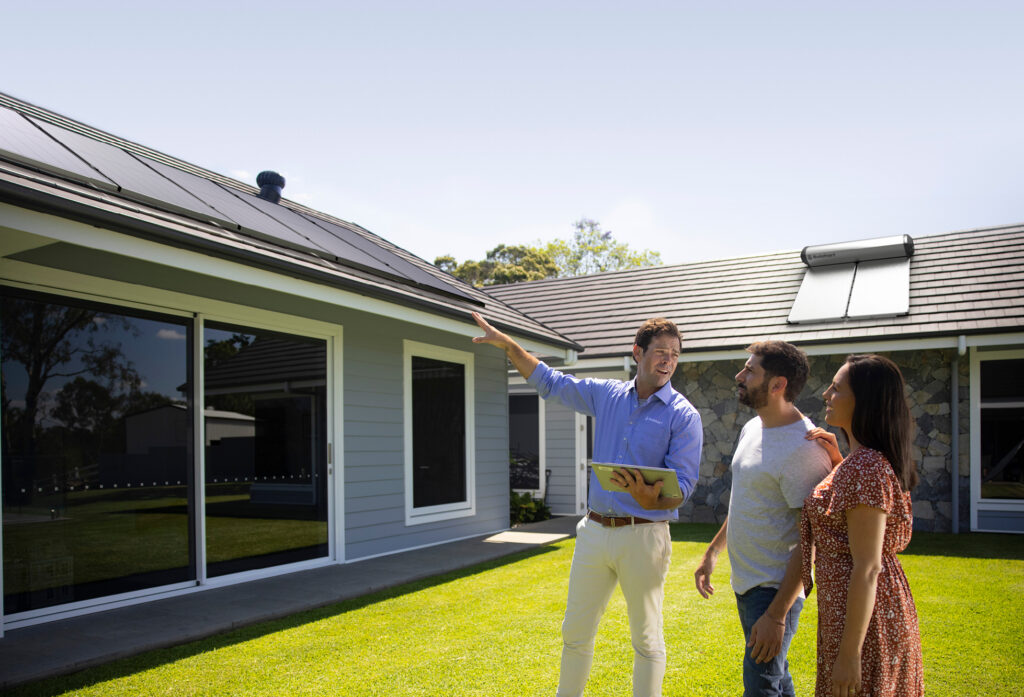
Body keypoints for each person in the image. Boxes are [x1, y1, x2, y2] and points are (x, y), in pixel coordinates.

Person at [471, 311, 702, 697]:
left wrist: (653, 497)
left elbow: (684, 487)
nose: (668, 361)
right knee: (575, 634)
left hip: (644, 536)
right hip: (594, 531)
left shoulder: (684, 416)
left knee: (646, 637)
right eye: (661, 352)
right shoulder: (608, 394)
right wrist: (511, 346)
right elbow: (551, 383)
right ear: (637, 353)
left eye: (675, 355)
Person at [693, 341, 832, 697]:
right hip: (746, 583)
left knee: (760, 688)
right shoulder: (753, 428)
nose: (740, 376)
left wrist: (776, 614)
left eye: (750, 370)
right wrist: (713, 552)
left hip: (773, 591)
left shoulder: (804, 449)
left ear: (777, 384)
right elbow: (746, 501)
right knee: (777, 680)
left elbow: (812, 538)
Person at [799, 354, 924, 697]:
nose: (826, 394)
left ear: (863, 402)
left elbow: (867, 568)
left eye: (837, 389)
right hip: (854, 614)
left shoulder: (867, 466)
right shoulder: (860, 462)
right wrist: (840, 463)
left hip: (867, 625)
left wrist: (849, 654)